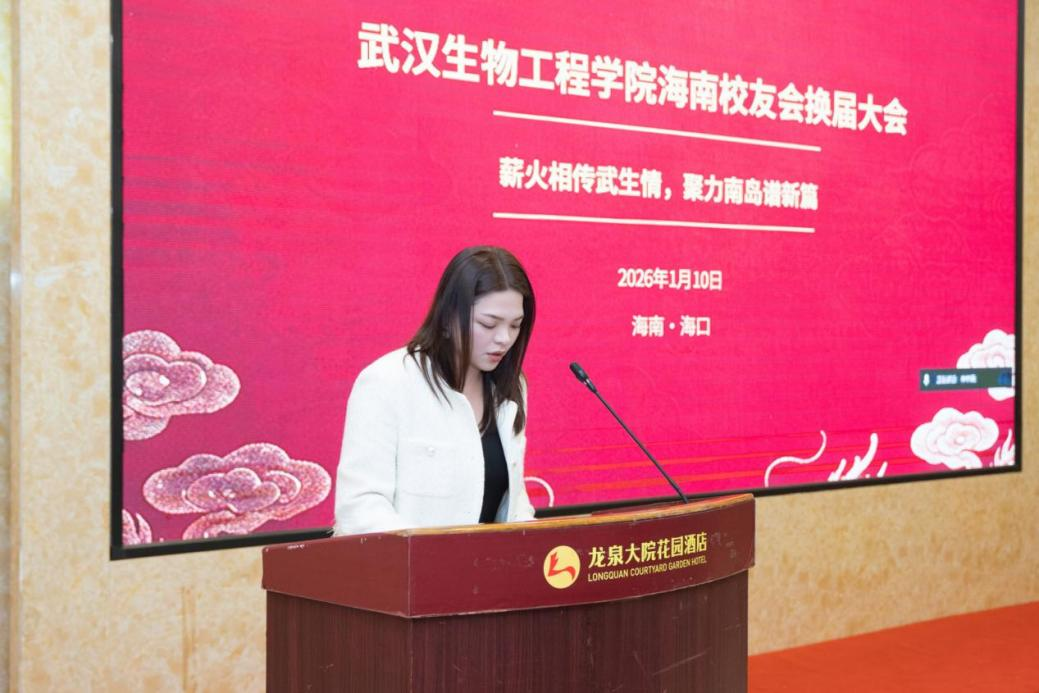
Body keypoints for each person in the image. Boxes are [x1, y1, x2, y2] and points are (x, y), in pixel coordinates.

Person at [333, 246, 538, 535]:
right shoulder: (387, 382)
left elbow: (513, 501)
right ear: (449, 315)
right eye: (488, 324)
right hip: (411, 563)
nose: (504, 339)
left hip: (492, 562)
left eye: (515, 325)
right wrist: (435, 555)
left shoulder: (510, 387)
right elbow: (360, 509)